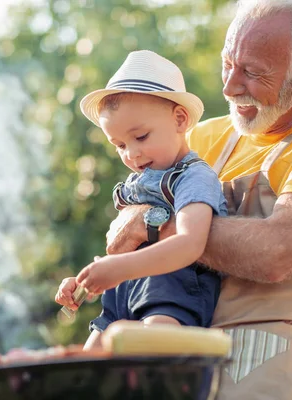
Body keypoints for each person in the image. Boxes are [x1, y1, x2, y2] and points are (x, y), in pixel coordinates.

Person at [56, 0, 292, 398]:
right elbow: (130, 242)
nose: (229, 86)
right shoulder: (202, 138)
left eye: (252, 72)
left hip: (262, 346)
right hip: (183, 342)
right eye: (228, 64)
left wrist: (154, 223)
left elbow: (275, 252)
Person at [59, 50, 226, 350]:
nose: (131, 154)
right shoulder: (136, 184)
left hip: (170, 295)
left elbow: (191, 243)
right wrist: (88, 280)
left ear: (179, 119)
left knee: (150, 354)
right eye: (120, 145)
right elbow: (124, 248)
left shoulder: (193, 177)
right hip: (122, 295)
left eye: (142, 136)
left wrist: (122, 269)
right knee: (87, 362)